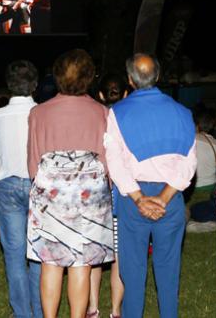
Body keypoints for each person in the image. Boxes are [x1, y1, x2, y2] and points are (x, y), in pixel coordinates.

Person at [104, 53, 196, 318]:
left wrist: (140, 198)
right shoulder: (183, 112)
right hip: (171, 199)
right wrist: (164, 198)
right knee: (168, 272)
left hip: (134, 200)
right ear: (157, 76)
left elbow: (115, 162)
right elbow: (189, 165)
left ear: (130, 80)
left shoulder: (118, 113)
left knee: (132, 274)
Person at [26, 49, 114, 318]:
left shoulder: (39, 113)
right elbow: (108, 160)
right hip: (90, 198)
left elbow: (32, 164)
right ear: (89, 78)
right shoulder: (102, 112)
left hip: (50, 197)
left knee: (50, 263)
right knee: (81, 264)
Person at [0, 60, 42, 318]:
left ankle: (22, 313)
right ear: (35, 85)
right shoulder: (43, 113)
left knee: (15, 254)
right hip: (38, 185)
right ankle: (42, 310)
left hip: (7, 185)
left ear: (8, 85)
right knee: (40, 252)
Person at [88, 72, 127, 318]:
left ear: (100, 94)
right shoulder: (129, 118)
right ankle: (115, 311)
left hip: (95, 189)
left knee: (93, 253)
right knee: (119, 256)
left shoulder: (92, 117)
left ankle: (92, 308)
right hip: (123, 191)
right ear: (125, 94)